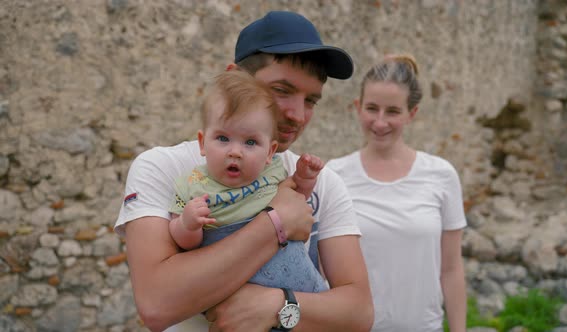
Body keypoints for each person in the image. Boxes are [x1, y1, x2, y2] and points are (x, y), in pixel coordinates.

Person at [114, 10, 373, 332]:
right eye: (282, 90)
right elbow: (156, 304)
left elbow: (359, 313)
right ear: (234, 77)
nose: (298, 114)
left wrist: (278, 305)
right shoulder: (163, 167)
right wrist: (277, 223)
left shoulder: (322, 181)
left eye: (311, 101)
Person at [326, 54, 467, 332]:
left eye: (392, 111)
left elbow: (451, 269)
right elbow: (322, 269)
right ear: (357, 107)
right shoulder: (334, 176)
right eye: (372, 108)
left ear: (411, 114)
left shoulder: (441, 175)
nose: (380, 122)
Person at [168, 70, 328, 293]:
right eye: (223, 139)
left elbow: (297, 201)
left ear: (270, 151)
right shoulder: (192, 185)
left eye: (250, 142)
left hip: (296, 278)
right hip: (235, 284)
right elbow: (185, 243)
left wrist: (304, 178)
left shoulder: (271, 171)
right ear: (203, 143)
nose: (235, 152)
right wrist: (187, 224)